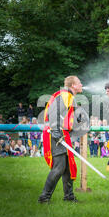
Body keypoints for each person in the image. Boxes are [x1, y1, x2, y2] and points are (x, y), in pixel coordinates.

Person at [38, 75, 84, 203]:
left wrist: (77, 118)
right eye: (79, 83)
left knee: (68, 166)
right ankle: (44, 197)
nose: (81, 85)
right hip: (56, 134)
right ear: (73, 85)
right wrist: (55, 130)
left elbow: (66, 117)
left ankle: (69, 197)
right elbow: (53, 112)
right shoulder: (64, 95)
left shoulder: (70, 97)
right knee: (59, 167)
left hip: (62, 133)